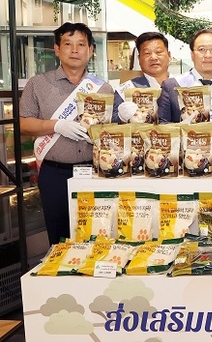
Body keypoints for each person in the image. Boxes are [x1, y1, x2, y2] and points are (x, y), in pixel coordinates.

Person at [19, 22, 114, 244]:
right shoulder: (38, 84)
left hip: (94, 172)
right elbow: (24, 124)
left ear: (90, 50)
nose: (74, 50)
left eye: (81, 44)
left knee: (96, 235)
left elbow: (112, 128)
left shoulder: (103, 88)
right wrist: (56, 125)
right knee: (60, 237)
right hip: (55, 173)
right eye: (68, 44)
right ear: (57, 49)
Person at [158, 28, 212, 123]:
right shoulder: (171, 86)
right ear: (192, 54)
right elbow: (162, 126)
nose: (208, 55)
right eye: (201, 49)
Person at [112, 32, 172, 123]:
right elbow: (111, 122)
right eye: (147, 53)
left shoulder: (183, 85)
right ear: (139, 59)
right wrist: (122, 118)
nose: (153, 57)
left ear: (169, 55)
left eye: (158, 52)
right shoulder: (124, 90)